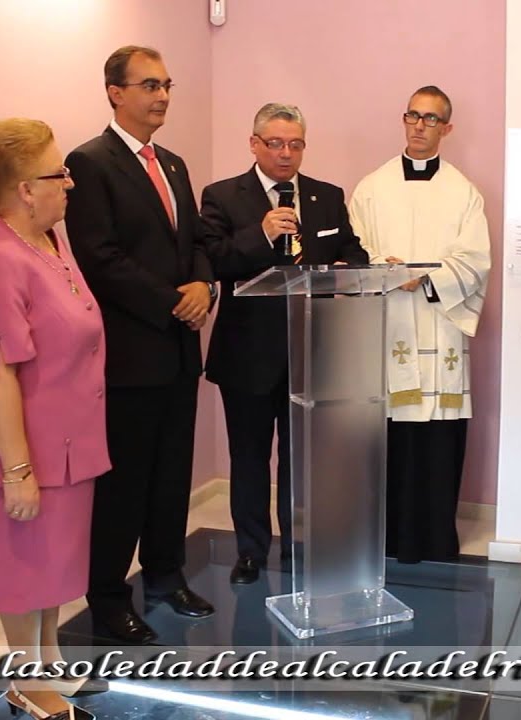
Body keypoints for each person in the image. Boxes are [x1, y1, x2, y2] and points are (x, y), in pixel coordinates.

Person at [0, 118, 104, 720]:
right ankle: (25, 679)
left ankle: (48, 653)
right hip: (21, 447)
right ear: (22, 189)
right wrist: (18, 470)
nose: (69, 182)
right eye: (56, 173)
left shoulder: (50, 240)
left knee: (51, 563)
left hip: (66, 438)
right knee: (21, 566)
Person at [64, 45, 216, 644]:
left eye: (167, 84)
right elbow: (99, 258)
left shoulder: (174, 164)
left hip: (179, 350)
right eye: (149, 85)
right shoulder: (90, 162)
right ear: (115, 92)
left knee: (172, 475)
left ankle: (166, 575)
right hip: (131, 353)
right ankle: (107, 599)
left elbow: (196, 240)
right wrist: (171, 300)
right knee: (124, 484)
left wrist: (203, 283)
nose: (162, 96)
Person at [200, 103, 368, 584]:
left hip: (310, 352)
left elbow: (352, 251)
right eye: (275, 143)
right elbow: (214, 260)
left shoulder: (326, 196)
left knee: (301, 461)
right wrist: (262, 233)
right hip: (246, 356)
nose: (286, 153)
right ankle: (251, 552)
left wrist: (346, 268)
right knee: (250, 459)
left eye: (295, 144)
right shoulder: (222, 197)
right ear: (254, 144)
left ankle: (298, 547)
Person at [348, 85, 491, 563]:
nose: (419, 125)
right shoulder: (372, 187)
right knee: (391, 435)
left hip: (438, 322)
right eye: (413, 115)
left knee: (436, 434)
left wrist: (426, 277)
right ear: (403, 119)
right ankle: (388, 537)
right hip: (387, 325)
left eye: (431, 119)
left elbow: (476, 260)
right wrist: (384, 269)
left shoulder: (462, 191)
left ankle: (434, 536)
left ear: (446, 128)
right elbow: (354, 249)